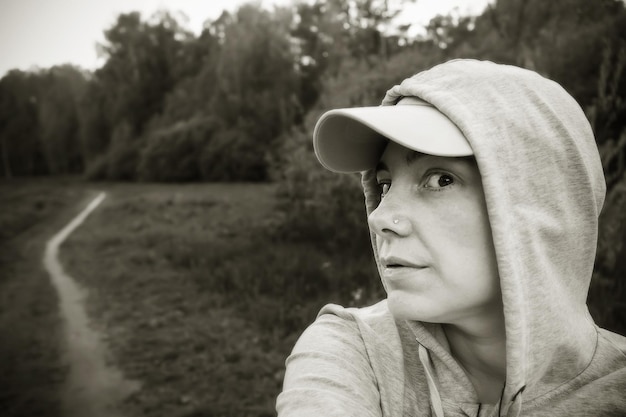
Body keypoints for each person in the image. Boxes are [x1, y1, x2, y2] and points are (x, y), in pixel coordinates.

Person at [275, 59, 626, 416]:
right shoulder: (354, 348)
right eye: (385, 184)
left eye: (440, 179)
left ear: (540, 208)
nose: (380, 218)